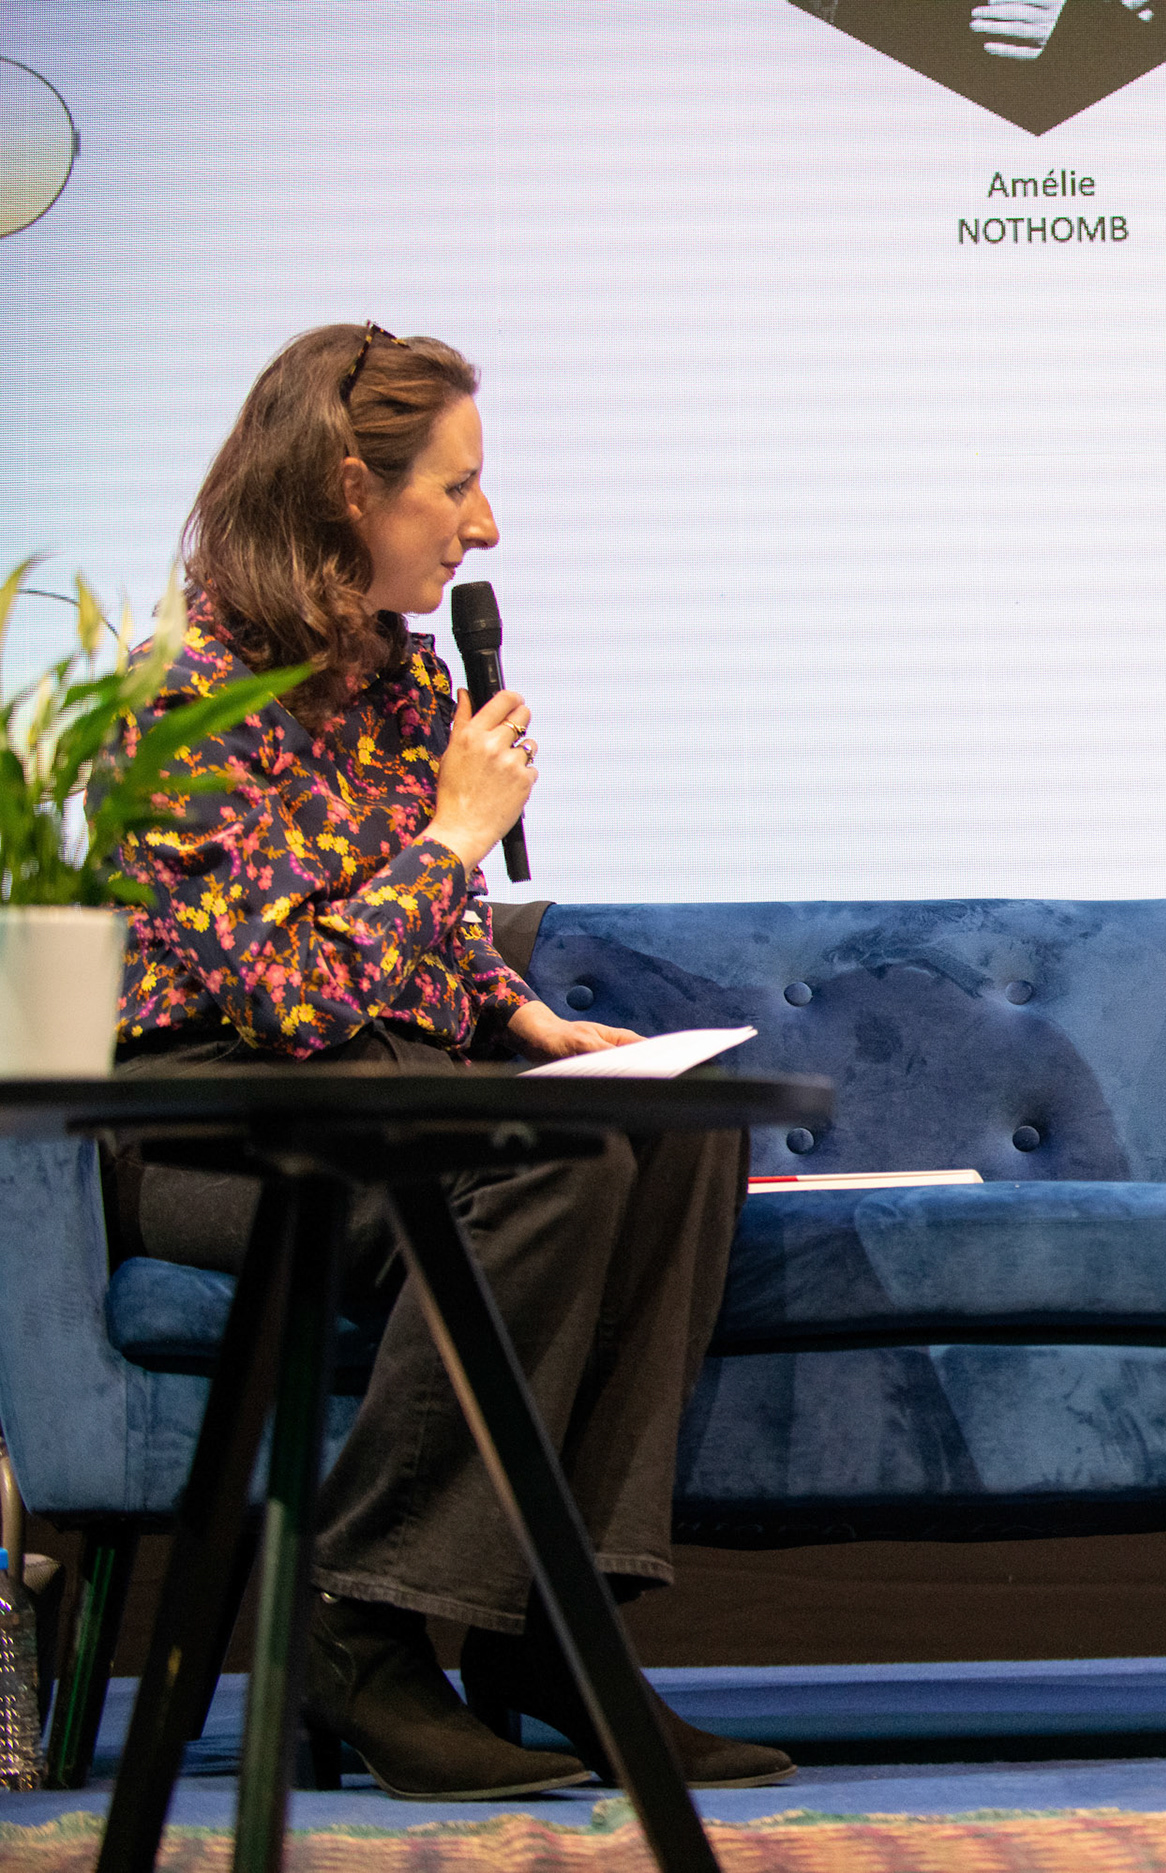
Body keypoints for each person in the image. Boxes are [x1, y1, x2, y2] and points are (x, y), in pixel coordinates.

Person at [98, 323, 794, 1801]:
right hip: (220, 1122)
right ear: (353, 488)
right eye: (457, 490)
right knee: (541, 1160)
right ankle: (361, 1626)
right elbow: (286, 991)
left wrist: (514, 1011)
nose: (485, 528)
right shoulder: (180, 700)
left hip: (393, 1083)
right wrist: (452, 838)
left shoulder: (409, 689)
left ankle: (555, 1629)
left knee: (676, 1129)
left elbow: (407, 947)